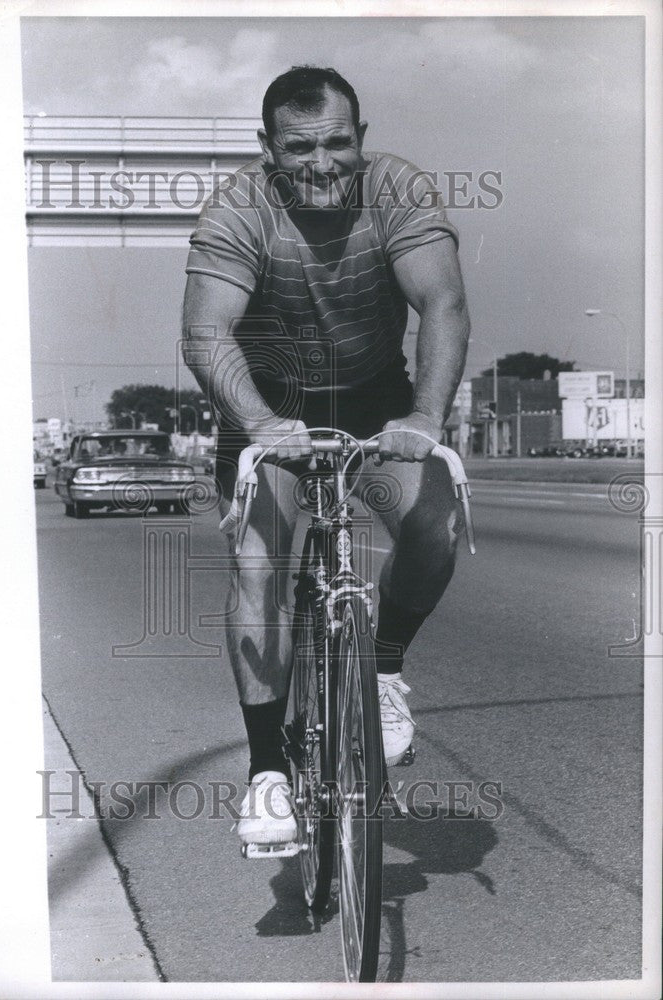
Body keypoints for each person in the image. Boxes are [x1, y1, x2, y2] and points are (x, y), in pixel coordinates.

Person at [182, 66, 470, 849]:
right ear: (268, 148)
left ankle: (379, 669)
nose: (322, 163)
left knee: (432, 527)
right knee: (257, 566)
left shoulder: (397, 191)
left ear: (360, 139)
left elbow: (440, 302)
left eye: (337, 143)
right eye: (300, 147)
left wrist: (424, 416)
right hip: (266, 402)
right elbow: (207, 333)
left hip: (375, 392)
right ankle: (268, 774)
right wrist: (259, 424)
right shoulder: (238, 208)